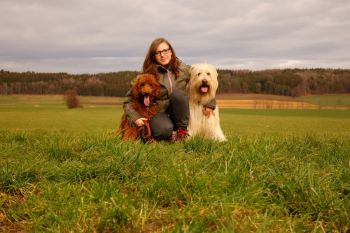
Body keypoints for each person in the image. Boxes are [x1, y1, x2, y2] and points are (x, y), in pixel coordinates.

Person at [123, 37, 215, 142]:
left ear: (171, 51)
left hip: (181, 113)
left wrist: (210, 103)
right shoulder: (148, 73)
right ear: (153, 56)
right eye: (158, 53)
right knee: (162, 131)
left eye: (165, 50)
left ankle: (181, 132)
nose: (162, 55)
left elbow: (202, 82)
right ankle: (168, 134)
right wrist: (135, 118)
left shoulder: (183, 69)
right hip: (160, 112)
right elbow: (128, 99)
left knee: (178, 95)